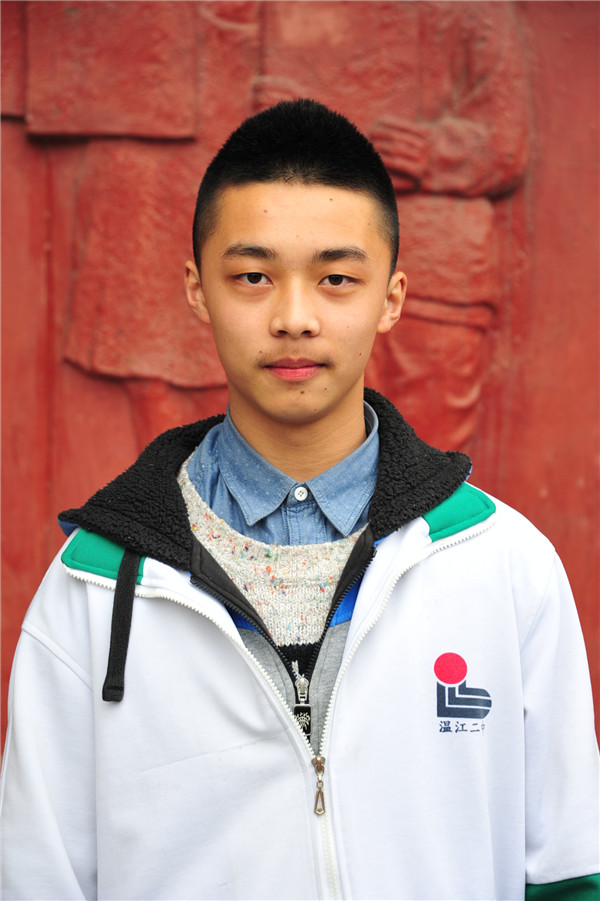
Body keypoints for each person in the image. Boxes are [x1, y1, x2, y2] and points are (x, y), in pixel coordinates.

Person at [0, 100, 597, 901]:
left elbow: (568, 874)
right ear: (198, 290)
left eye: (336, 278)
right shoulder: (93, 589)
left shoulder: (504, 565)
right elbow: (36, 879)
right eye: (253, 277)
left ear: (391, 297)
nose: (293, 317)